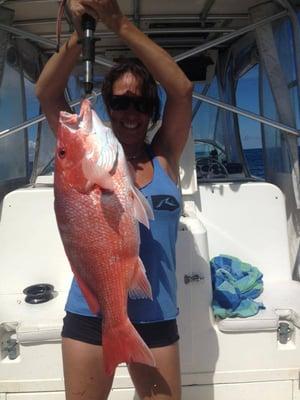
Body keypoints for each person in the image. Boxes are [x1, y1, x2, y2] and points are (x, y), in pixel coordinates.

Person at [35, 0, 192, 399]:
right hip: (91, 314)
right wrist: (80, 30)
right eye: (120, 102)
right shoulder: (83, 152)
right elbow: (46, 92)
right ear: (108, 107)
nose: (130, 113)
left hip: (156, 315)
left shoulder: (165, 156)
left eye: (140, 103)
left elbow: (182, 88)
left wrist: (117, 23)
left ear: (151, 110)